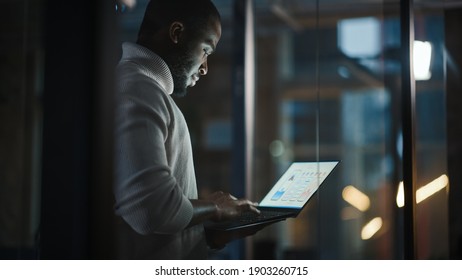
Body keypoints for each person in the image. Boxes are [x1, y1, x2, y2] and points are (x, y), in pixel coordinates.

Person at [114, 0, 260, 259]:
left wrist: (210, 235)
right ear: (177, 33)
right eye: (205, 50)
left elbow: (154, 222)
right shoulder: (138, 90)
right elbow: (152, 211)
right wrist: (215, 207)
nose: (204, 68)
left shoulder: (145, 90)